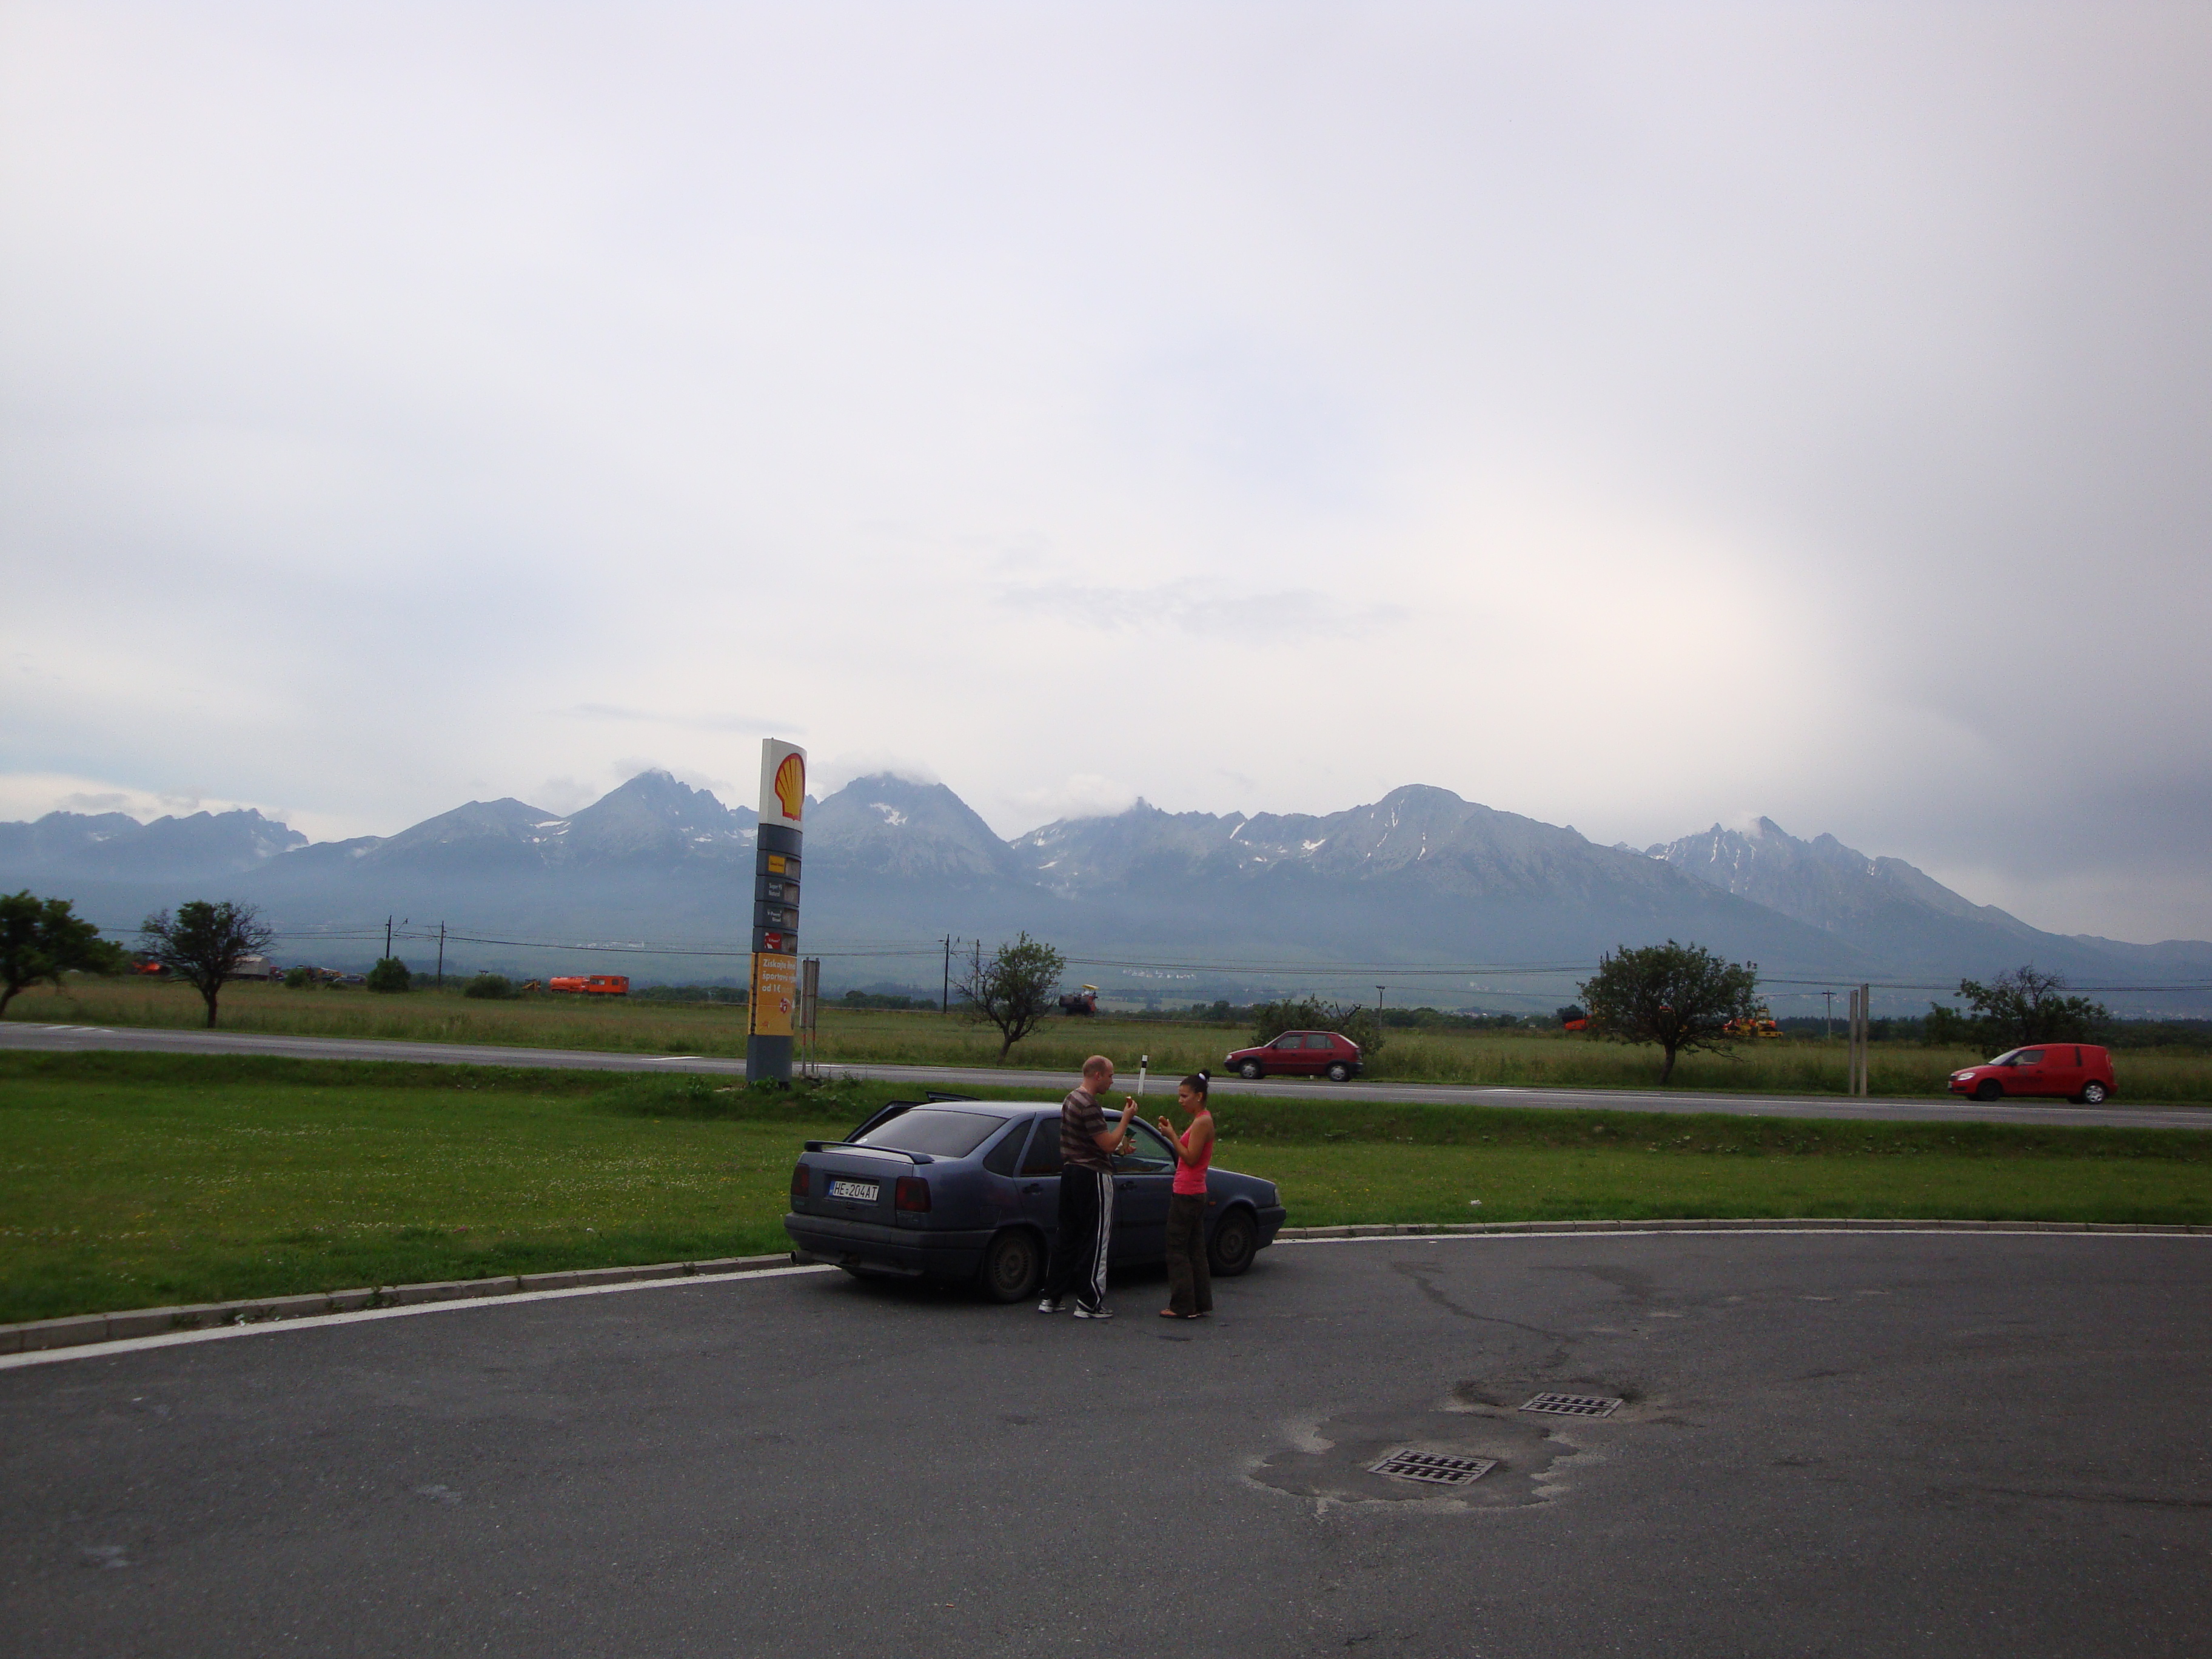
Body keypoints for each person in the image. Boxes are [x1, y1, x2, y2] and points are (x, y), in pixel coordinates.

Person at [1039, 1054, 1136, 1319]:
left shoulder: (1071, 1099)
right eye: (1110, 1076)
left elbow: (1089, 1142)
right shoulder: (1090, 1105)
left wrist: (1120, 1147)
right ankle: (1089, 1301)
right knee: (1096, 1238)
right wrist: (1126, 1118)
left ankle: (1051, 1296)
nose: (1112, 1081)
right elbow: (1106, 1145)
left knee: (1067, 1235)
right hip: (1093, 1175)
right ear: (1097, 1075)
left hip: (1071, 1171)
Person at [1157, 1071, 1216, 1319]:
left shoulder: (1202, 1122)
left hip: (1187, 1192)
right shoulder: (1200, 1120)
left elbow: (1191, 1158)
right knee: (1195, 1250)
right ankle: (1199, 1303)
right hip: (1194, 1192)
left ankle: (1182, 1305)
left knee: (1177, 1249)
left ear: (1199, 1096)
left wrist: (1171, 1135)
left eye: (1185, 1096)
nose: (1180, 1101)